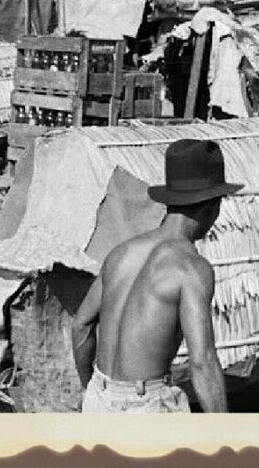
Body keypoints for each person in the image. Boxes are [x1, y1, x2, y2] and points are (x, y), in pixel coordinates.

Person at [70, 138, 243, 413]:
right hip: (145, 406)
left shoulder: (120, 253)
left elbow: (81, 325)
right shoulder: (191, 268)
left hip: (98, 397)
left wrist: (87, 387)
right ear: (212, 204)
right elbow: (202, 363)